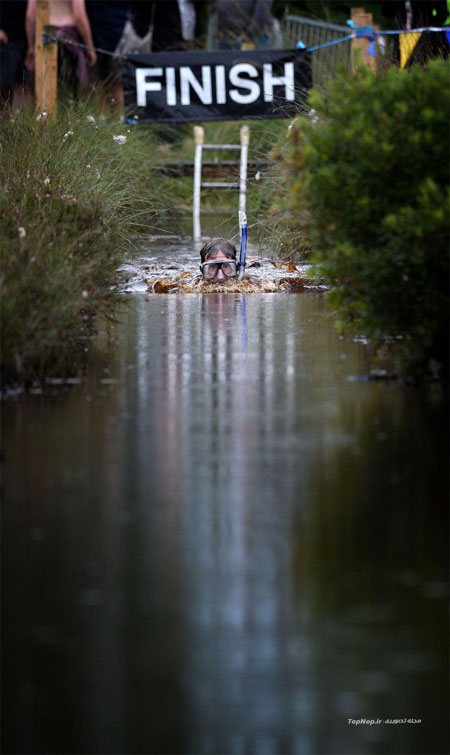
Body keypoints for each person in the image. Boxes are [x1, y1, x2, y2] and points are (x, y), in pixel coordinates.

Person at [25, 0, 97, 95]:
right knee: (69, 87)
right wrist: (89, 47)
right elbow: (79, 16)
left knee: (45, 83)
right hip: (67, 36)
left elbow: (30, 16)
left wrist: (31, 46)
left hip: (47, 33)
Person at [0, 0, 28, 106]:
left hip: (24, 42)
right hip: (5, 44)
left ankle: (19, 119)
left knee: (23, 84)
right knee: (4, 85)